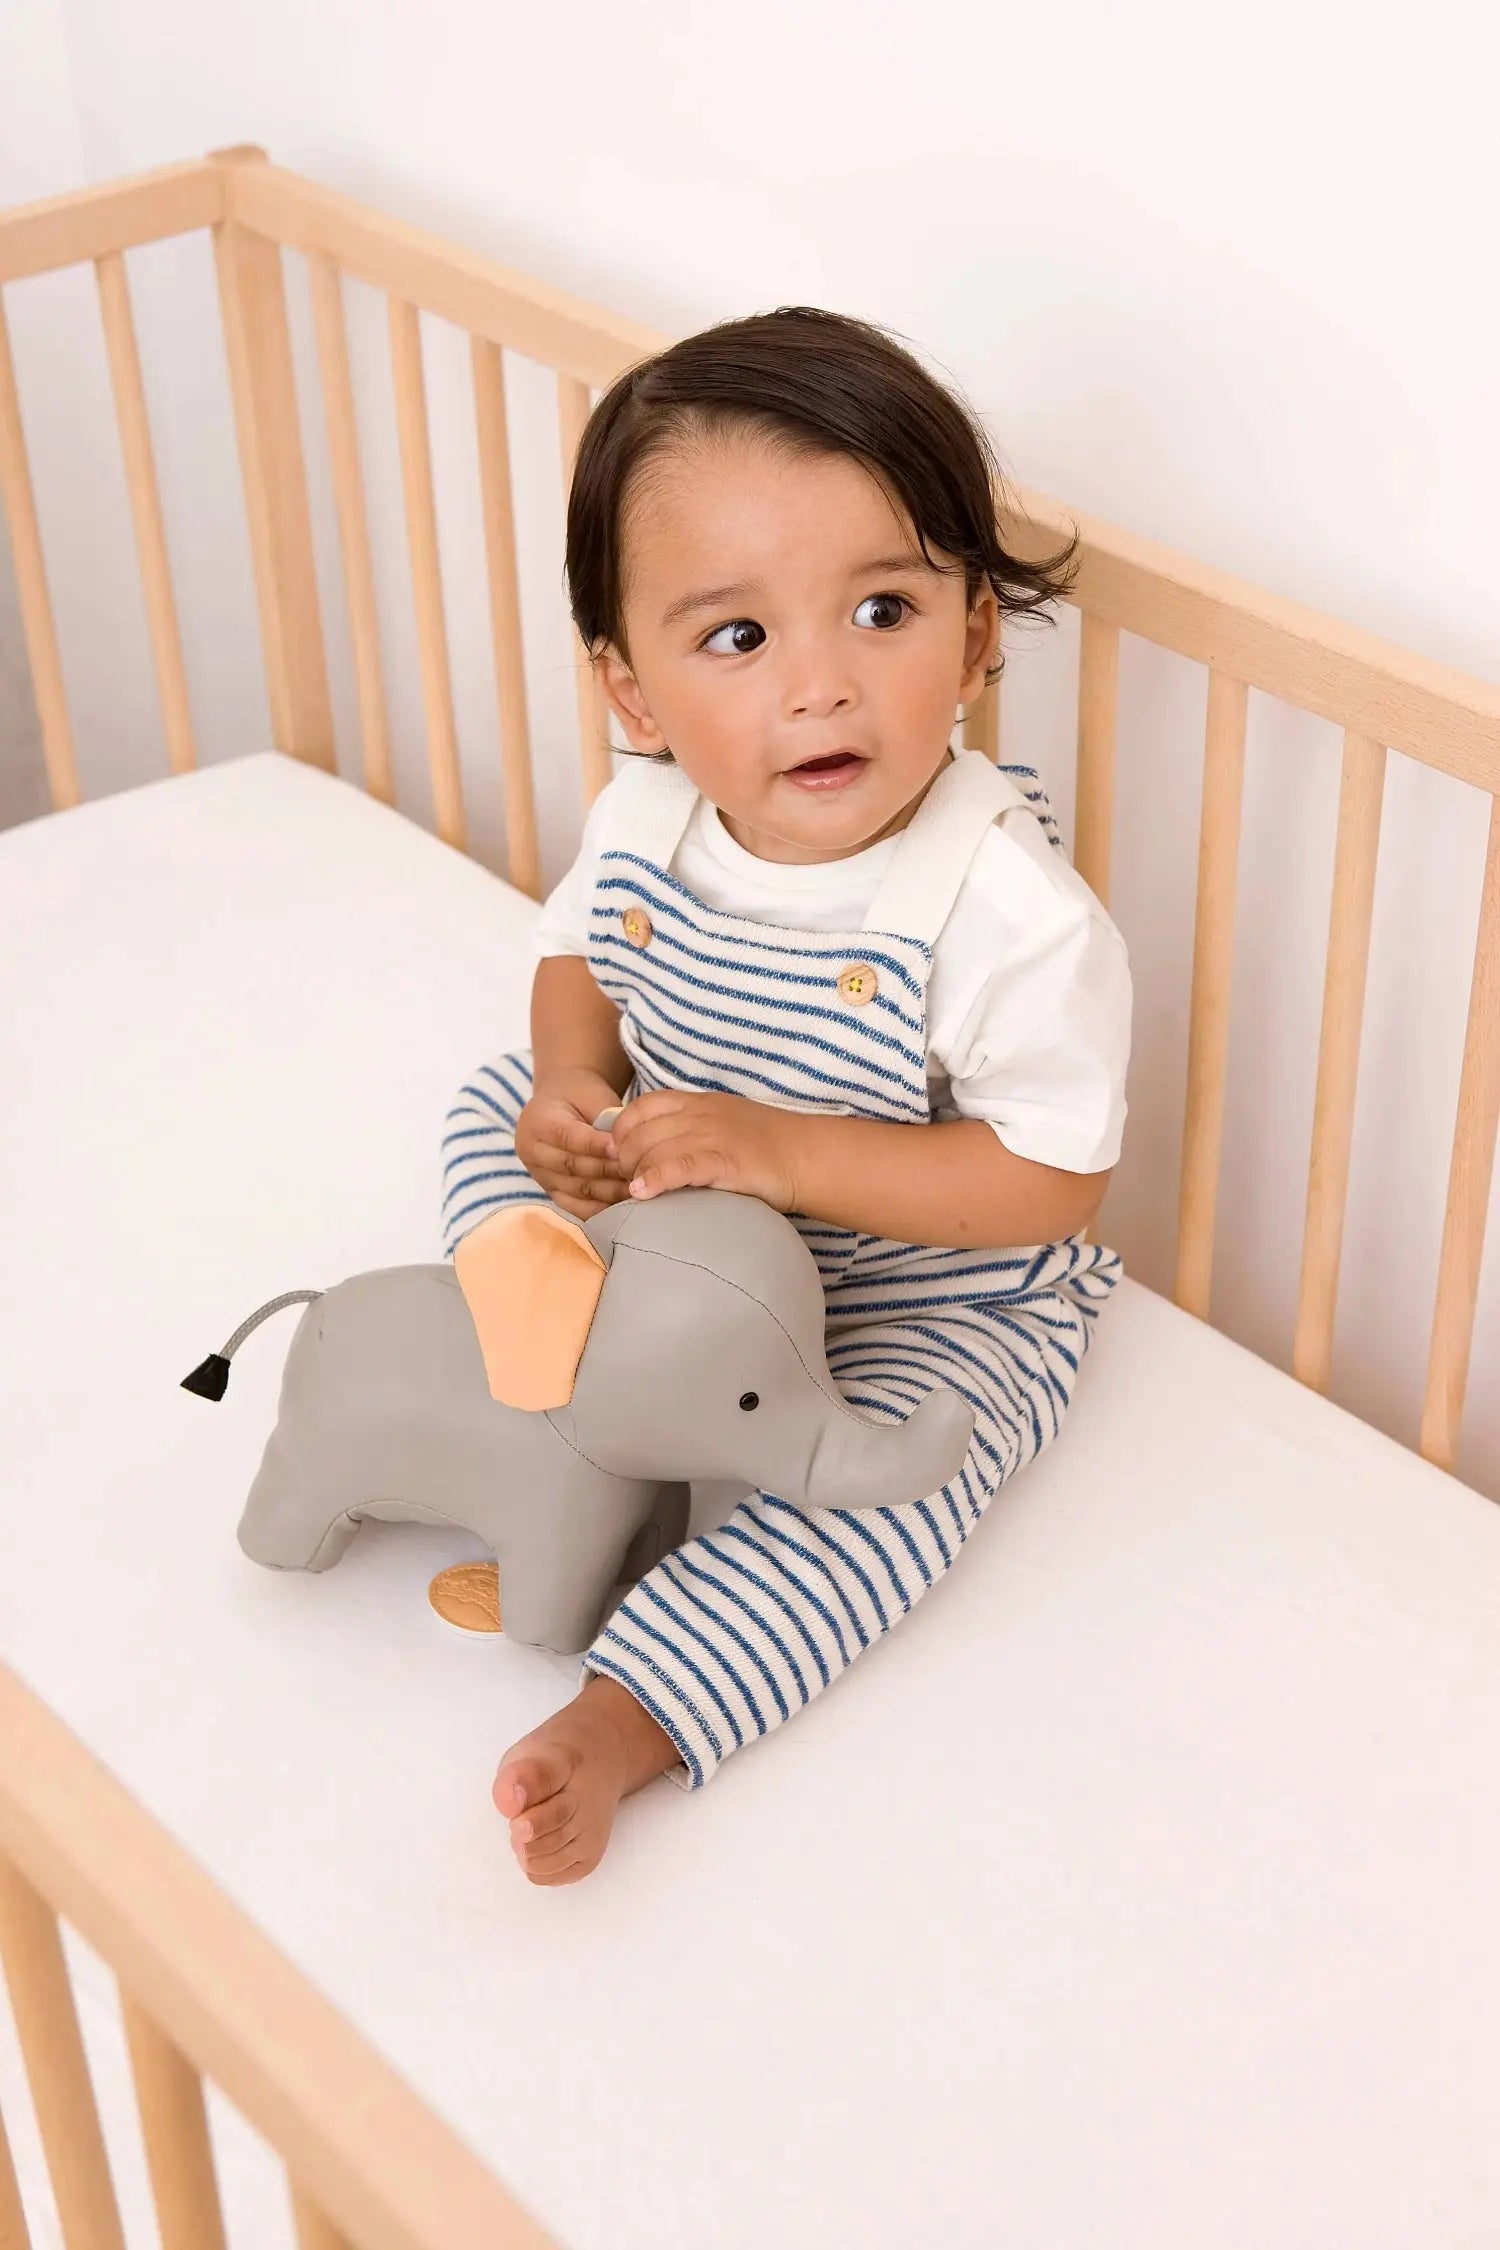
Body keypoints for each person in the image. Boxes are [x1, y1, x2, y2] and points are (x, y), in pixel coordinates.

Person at [440, 306, 1132, 1885]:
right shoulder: (650, 816)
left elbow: (1053, 1181)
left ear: (970, 639)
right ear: (634, 690)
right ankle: (557, 1351)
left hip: (916, 1286)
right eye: (738, 639)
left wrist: (790, 1157)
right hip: (675, 1217)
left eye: (880, 609)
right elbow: (579, 965)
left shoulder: (1006, 910)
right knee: (489, 1099)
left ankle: (637, 1712)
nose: (819, 689)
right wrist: (571, 1083)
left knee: (907, 1482)